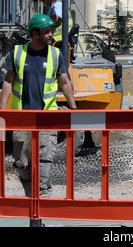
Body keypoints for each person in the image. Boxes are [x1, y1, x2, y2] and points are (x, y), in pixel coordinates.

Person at [0, 14, 77, 196]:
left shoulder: (55, 54)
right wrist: (2, 112)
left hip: (46, 120)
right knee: (22, 166)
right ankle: (33, 210)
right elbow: (8, 82)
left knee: (44, 170)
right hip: (22, 120)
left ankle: (41, 208)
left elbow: (64, 82)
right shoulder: (18, 52)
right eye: (47, 32)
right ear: (35, 34)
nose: (51, 35)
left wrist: (74, 109)